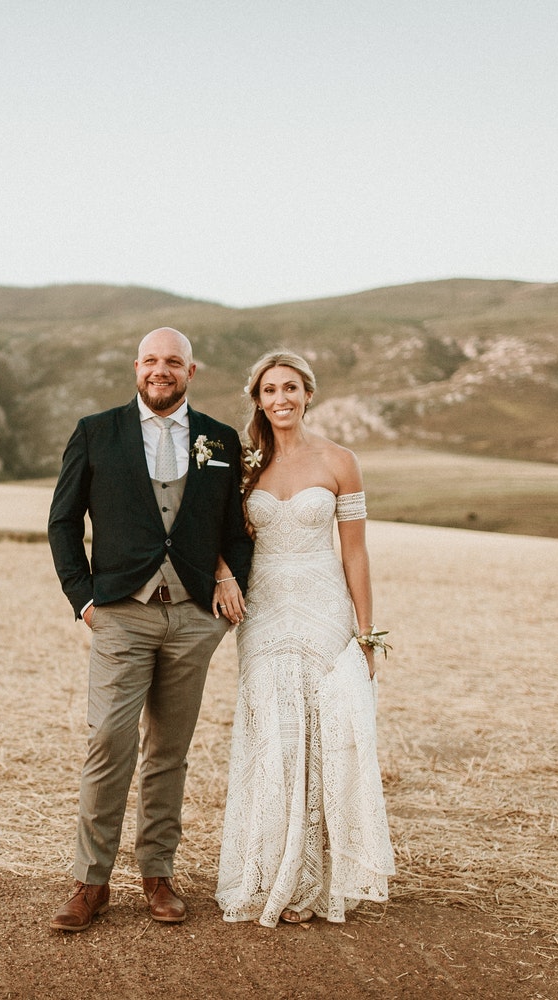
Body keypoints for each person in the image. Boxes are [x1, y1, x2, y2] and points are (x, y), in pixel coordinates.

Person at [47, 327, 254, 932]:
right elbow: (63, 522)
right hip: (121, 614)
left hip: (193, 620)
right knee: (109, 741)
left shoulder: (220, 438)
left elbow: (236, 529)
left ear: (192, 371)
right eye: (151, 360)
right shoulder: (96, 431)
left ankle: (158, 874)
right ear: (136, 367)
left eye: (173, 361)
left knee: (169, 751)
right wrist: (84, 600)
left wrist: (225, 585)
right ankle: (91, 882)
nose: (160, 370)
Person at [213, 350, 394, 928]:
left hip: (324, 610)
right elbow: (211, 530)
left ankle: (315, 879)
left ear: (308, 394)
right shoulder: (244, 466)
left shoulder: (340, 461)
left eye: (290, 387)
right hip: (263, 611)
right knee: (273, 734)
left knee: (325, 735)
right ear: (258, 399)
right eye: (269, 390)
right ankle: (269, 870)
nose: (280, 399)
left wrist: (367, 635)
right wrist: (222, 573)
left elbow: (355, 552)